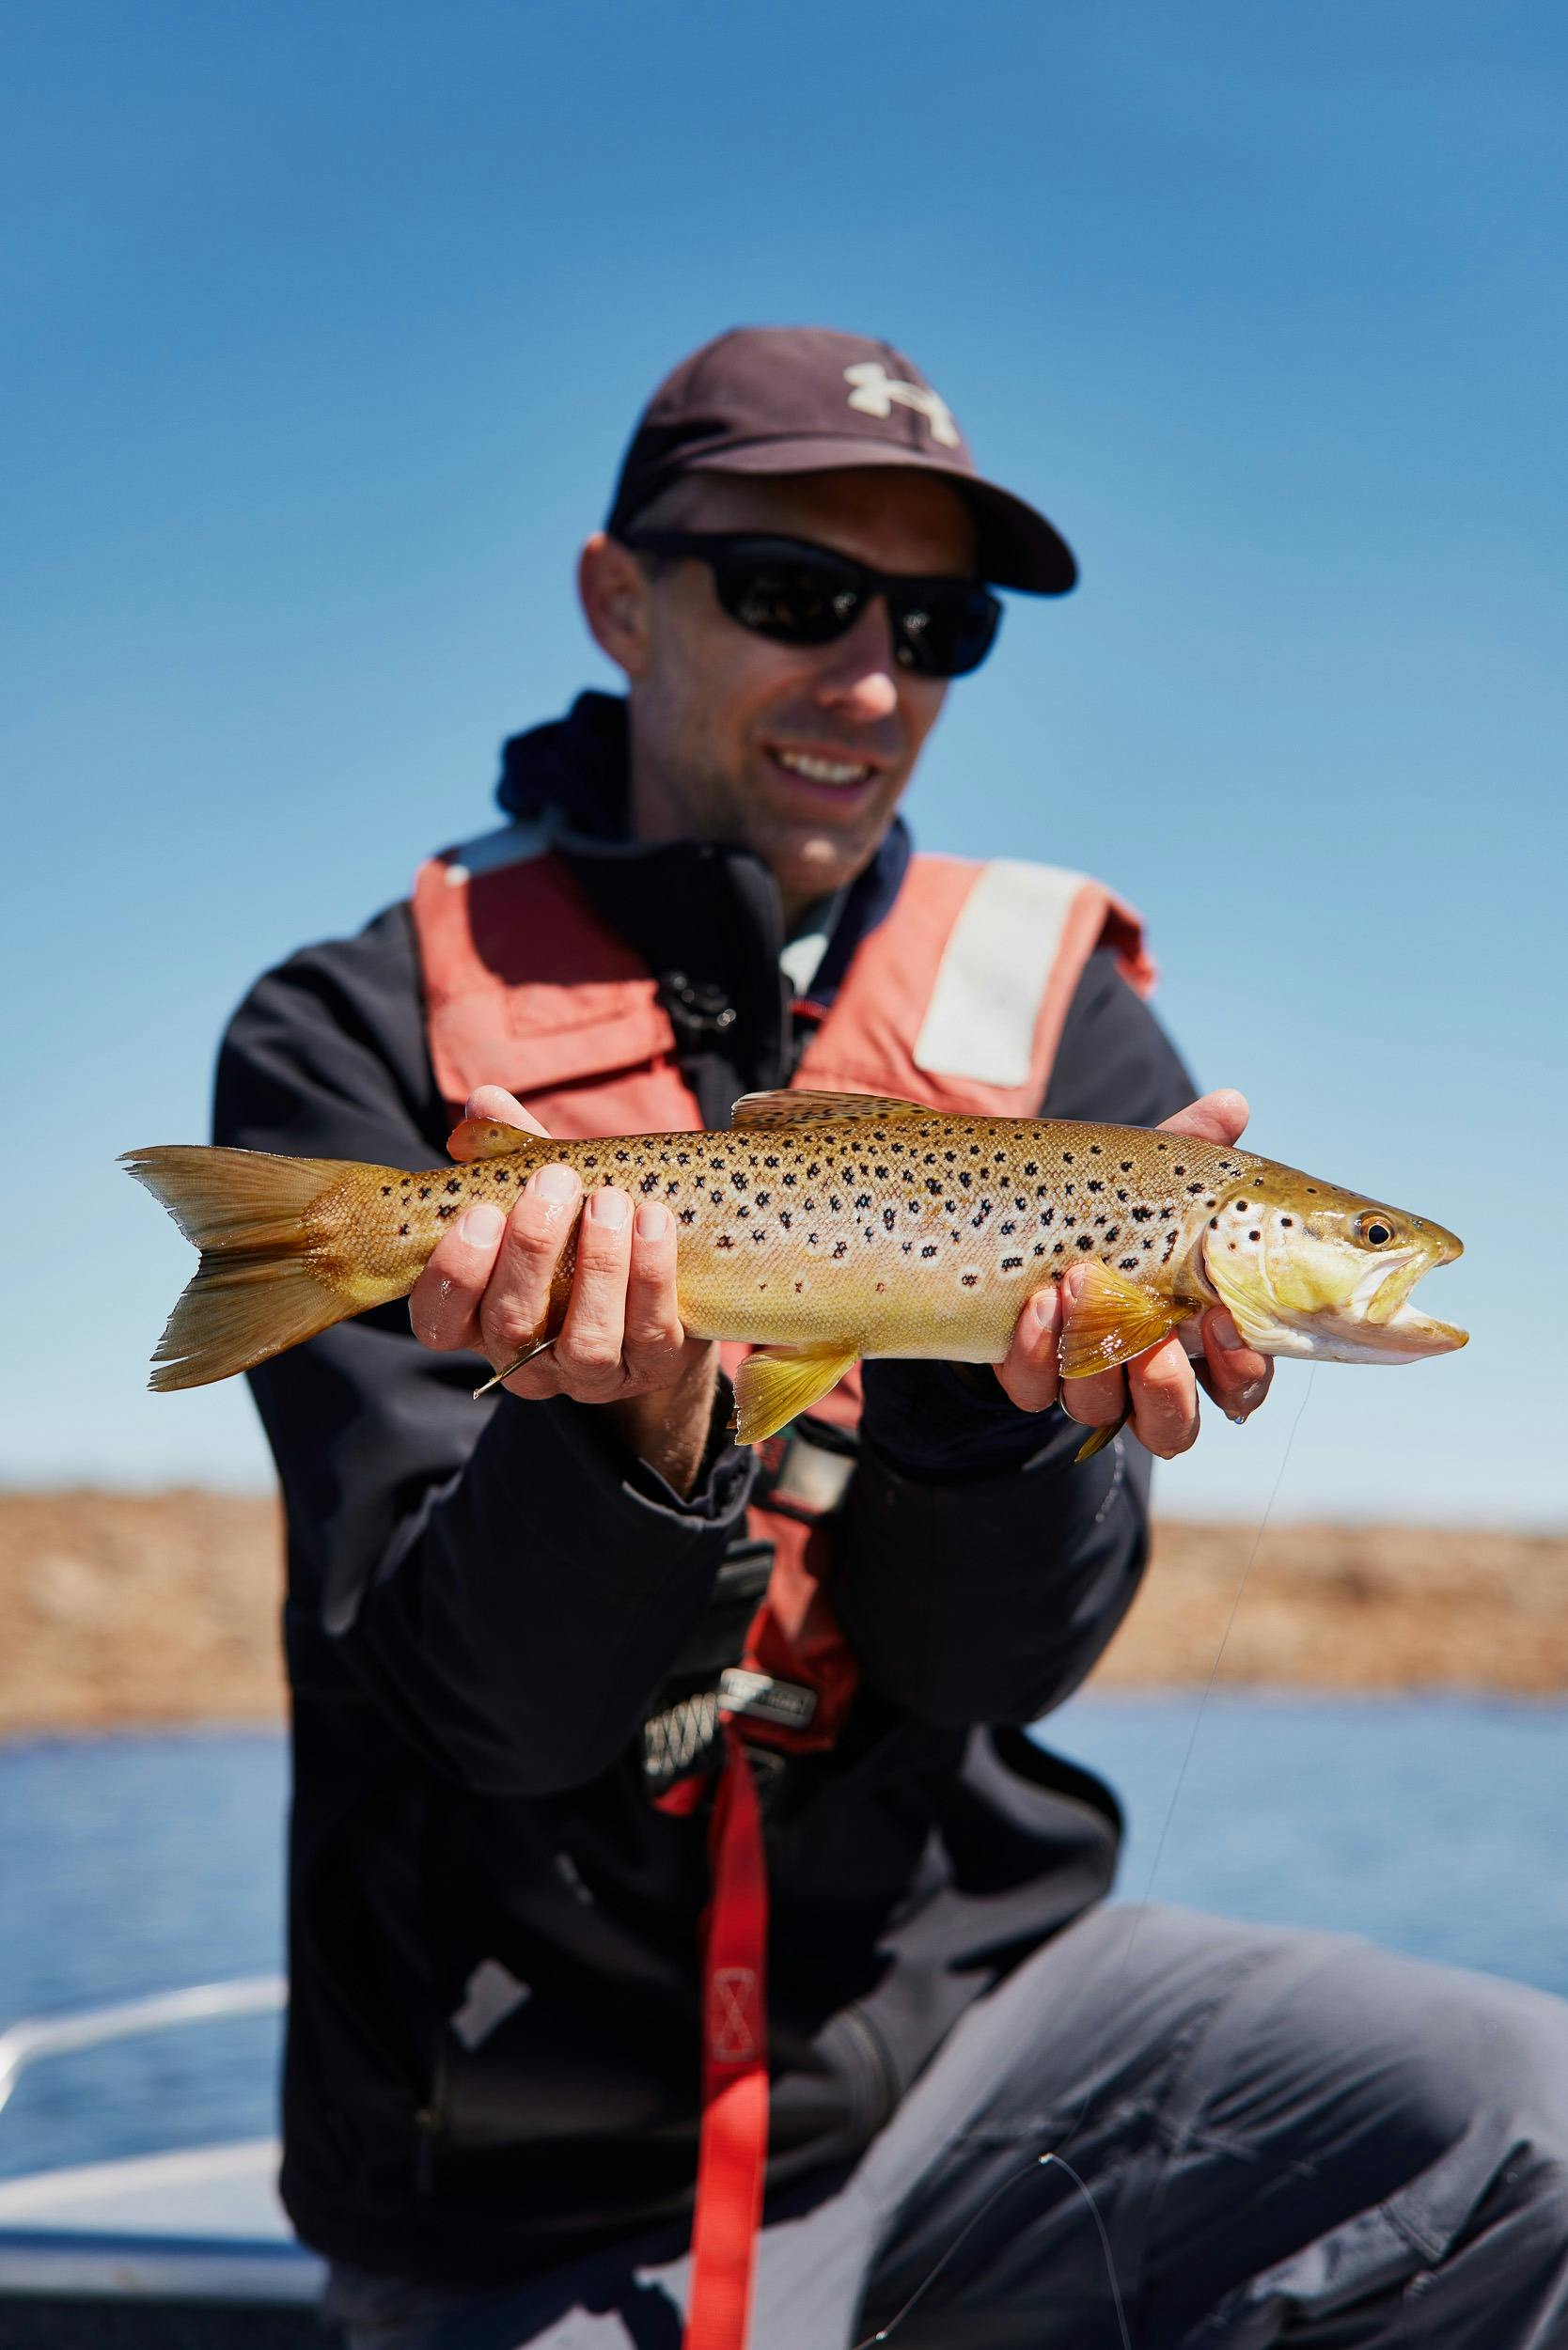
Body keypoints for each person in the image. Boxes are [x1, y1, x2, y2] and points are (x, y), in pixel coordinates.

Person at [215, 327, 1568, 2350]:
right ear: (618, 599)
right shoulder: (352, 1035)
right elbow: (471, 1708)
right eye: (793, 596)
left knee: (1531, 2122)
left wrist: (997, 1411)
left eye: (937, 625)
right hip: (523, 2164)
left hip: (977, 2047)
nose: (870, 676)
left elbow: (1003, 1665)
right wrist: (620, 1446)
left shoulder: (1080, 1040)